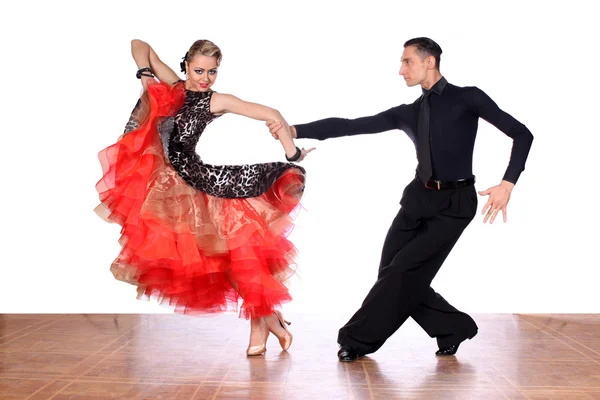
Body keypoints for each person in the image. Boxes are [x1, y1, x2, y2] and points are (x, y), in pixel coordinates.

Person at [268, 37, 533, 361]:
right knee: (396, 274)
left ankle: (356, 340)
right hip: (417, 200)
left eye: (407, 61)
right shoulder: (410, 112)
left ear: (429, 61)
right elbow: (351, 126)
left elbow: (522, 133)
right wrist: (293, 129)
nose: (401, 69)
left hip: (454, 206)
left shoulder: (468, 98)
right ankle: (453, 327)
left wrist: (508, 183)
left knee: (401, 274)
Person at [95, 39, 314, 356]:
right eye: (199, 70)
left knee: (238, 259)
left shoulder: (214, 100)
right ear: (185, 66)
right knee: (220, 263)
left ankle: (267, 321)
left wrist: (292, 151)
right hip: (169, 191)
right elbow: (138, 44)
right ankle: (269, 321)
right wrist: (144, 74)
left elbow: (271, 113)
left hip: (203, 186)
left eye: (212, 72)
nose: (205, 78)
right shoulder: (171, 85)